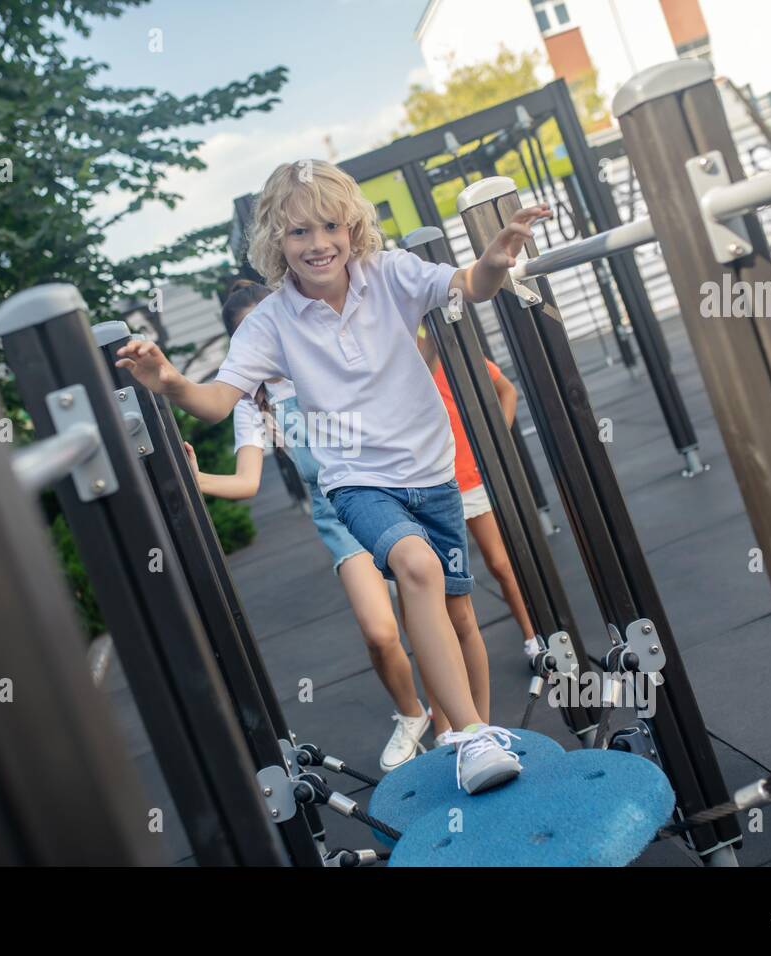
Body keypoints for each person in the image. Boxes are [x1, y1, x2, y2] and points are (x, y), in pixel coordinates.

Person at [117, 159, 550, 794]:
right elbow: (218, 400)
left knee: (458, 611)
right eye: (297, 233)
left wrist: (496, 257)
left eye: (328, 227)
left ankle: (473, 731)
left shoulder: (391, 273)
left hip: (430, 472)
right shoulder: (270, 322)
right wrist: (169, 382)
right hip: (357, 481)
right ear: (275, 242)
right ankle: (469, 736)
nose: (317, 244)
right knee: (419, 570)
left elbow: (470, 285)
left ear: (351, 228)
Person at [184, 280, 434, 772]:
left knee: (425, 610)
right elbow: (247, 481)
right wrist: (196, 479)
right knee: (381, 632)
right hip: (340, 515)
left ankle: (449, 725)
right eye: (251, 333)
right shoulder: (252, 402)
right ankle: (412, 714)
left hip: (389, 489)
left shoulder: (326, 358)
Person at [414, 324, 542, 740]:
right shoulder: (396, 370)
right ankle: (449, 714)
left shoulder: (450, 361)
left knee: (501, 563)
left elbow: (508, 390)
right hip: (430, 491)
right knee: (442, 594)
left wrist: (494, 443)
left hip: (469, 480)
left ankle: (532, 638)